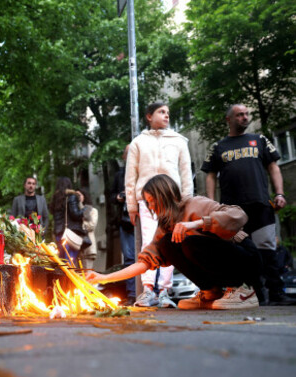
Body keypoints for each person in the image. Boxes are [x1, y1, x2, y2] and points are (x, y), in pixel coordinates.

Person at [87, 174, 261, 310]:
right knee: (167, 243)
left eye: (151, 201)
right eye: (148, 203)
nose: (151, 207)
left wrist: (198, 223)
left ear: (163, 196)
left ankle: (243, 290)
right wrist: (104, 278)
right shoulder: (165, 225)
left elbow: (239, 215)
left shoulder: (196, 203)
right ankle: (211, 292)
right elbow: (144, 262)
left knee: (190, 242)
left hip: (245, 259)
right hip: (223, 262)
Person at [201, 104, 295, 306]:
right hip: (233, 212)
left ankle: (276, 294)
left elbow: (273, 167)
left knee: (267, 249)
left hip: (261, 205)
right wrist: (211, 204)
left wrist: (279, 193)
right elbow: (210, 175)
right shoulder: (218, 147)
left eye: (246, 114)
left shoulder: (260, 140)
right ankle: (253, 295)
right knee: (240, 252)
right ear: (229, 119)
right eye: (239, 115)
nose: (244, 117)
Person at [125, 102, 193, 308]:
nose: (166, 116)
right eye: (161, 112)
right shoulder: (138, 142)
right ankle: (147, 291)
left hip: (173, 200)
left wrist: (187, 202)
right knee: (148, 242)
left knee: (170, 241)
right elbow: (131, 175)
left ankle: (164, 292)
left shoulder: (179, 141)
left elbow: (186, 173)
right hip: (147, 201)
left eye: (168, 113)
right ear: (149, 116)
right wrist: (131, 205)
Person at [111, 145, 136, 305]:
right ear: (124, 156)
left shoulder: (144, 172)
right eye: (129, 152)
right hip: (126, 221)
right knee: (129, 259)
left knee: (149, 256)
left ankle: (152, 293)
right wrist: (119, 198)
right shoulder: (119, 175)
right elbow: (111, 196)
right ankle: (132, 294)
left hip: (143, 220)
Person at [50, 177, 88, 268]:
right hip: (70, 234)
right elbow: (75, 214)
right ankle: (69, 282)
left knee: (62, 262)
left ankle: (62, 281)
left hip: (59, 233)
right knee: (70, 261)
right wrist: (84, 209)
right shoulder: (71, 196)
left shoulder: (55, 198)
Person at [78, 187, 98, 271]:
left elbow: (91, 226)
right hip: (77, 247)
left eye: (79, 195)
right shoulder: (73, 211)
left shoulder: (93, 211)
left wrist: (80, 223)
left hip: (88, 247)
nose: (77, 197)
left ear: (84, 196)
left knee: (87, 276)